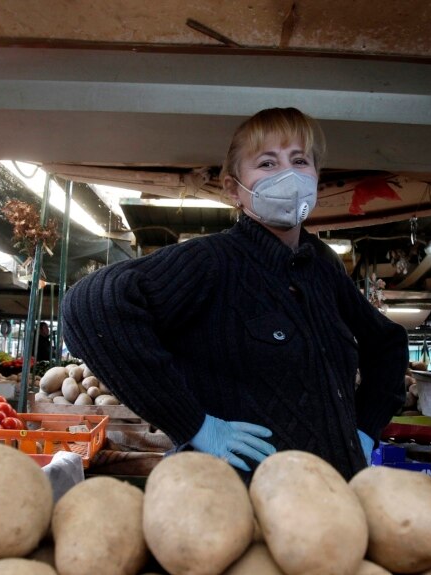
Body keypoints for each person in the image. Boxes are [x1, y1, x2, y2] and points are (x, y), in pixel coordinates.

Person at [62, 107, 408, 480]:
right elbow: (89, 306)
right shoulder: (213, 261)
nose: (288, 175)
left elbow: (387, 344)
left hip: (329, 495)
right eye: (267, 163)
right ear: (233, 188)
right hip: (234, 498)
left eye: (299, 161)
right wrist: (193, 424)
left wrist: (364, 429)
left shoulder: (321, 267)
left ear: (316, 176)